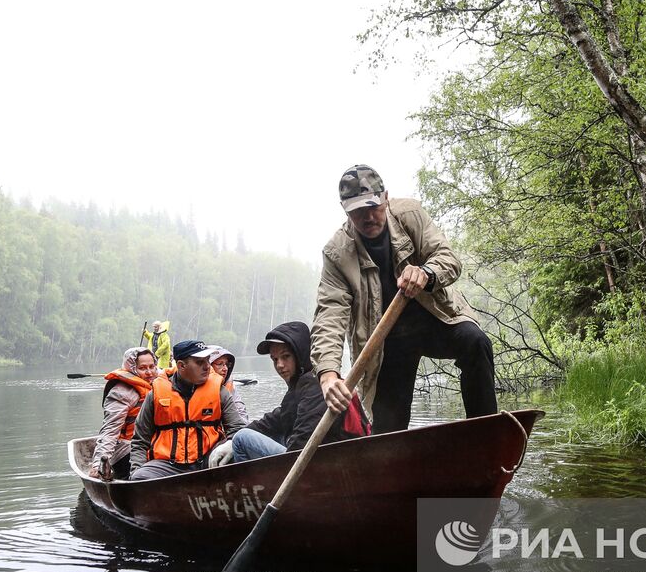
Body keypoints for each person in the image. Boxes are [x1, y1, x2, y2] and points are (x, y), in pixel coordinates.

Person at [312, 164, 497, 433]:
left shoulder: (409, 214)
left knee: (476, 343)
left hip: (435, 318)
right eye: (357, 211)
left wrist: (426, 273)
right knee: (388, 429)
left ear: (386, 197)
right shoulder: (337, 253)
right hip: (387, 342)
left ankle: (486, 434)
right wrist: (328, 374)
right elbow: (330, 315)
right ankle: (392, 469)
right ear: (344, 209)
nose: (368, 217)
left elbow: (448, 259)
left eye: (373, 206)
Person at [208, 321, 365, 466]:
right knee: (245, 434)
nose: (280, 365)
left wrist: (236, 440)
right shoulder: (301, 385)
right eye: (275, 359)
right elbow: (276, 419)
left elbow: (303, 441)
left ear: (300, 355)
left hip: (325, 465)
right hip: (317, 458)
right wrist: (228, 441)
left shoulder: (316, 385)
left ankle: (253, 488)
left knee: (242, 440)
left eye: (286, 356)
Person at [129, 339, 245, 479]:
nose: (207, 367)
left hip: (209, 461)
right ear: (181, 365)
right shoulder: (155, 394)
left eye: (208, 361)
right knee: (139, 477)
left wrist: (228, 445)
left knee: (240, 458)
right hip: (167, 465)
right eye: (199, 362)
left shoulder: (219, 391)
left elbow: (237, 429)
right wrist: (136, 471)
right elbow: (140, 440)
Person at [89, 346, 158, 481]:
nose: (149, 372)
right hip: (126, 449)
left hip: (152, 444)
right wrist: (98, 465)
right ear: (132, 368)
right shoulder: (121, 393)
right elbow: (110, 431)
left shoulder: (158, 384)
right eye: (143, 368)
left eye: (152, 366)